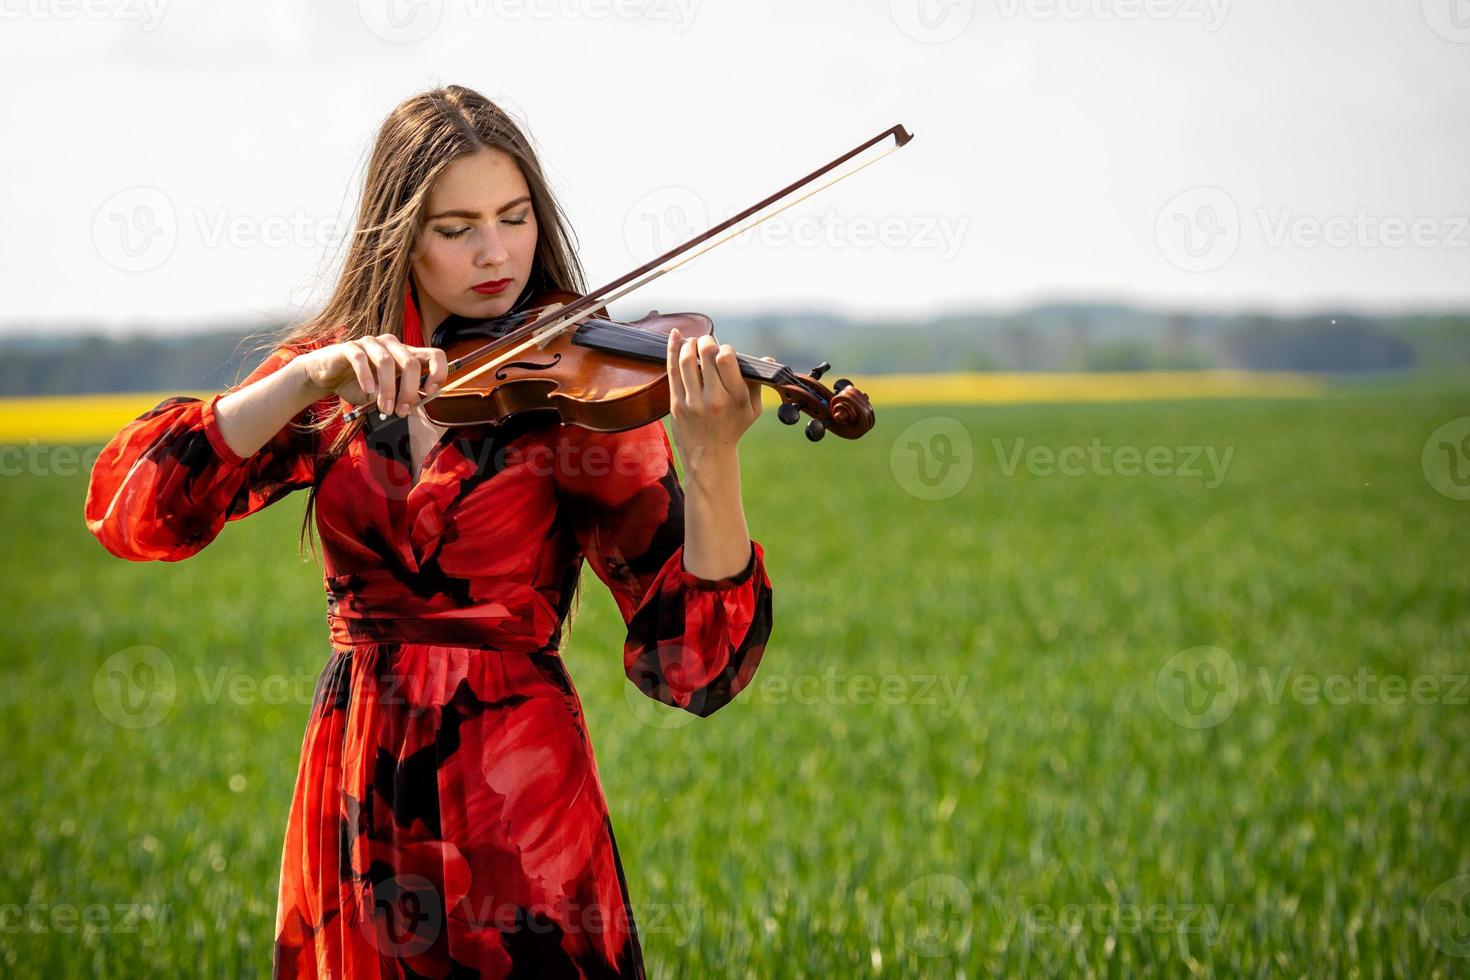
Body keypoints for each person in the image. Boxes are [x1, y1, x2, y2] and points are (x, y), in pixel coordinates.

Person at [83, 84, 775, 978]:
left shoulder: (579, 386)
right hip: (361, 777)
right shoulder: (338, 374)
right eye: (457, 228)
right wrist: (304, 380)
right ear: (399, 233)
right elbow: (137, 512)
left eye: (515, 217)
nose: (497, 253)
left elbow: (695, 667)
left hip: (519, 794)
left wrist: (714, 463)